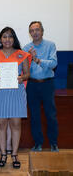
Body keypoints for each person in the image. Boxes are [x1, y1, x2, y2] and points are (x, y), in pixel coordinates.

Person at [0, 27, 30, 169]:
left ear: (14, 39)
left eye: (10, 37)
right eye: (4, 37)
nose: (7, 39)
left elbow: (27, 74)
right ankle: (3, 154)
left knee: (16, 124)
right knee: (1, 123)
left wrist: (21, 77)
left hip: (16, 92)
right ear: (0, 39)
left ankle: (14, 154)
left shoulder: (22, 54)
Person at [23, 21, 59, 152]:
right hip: (32, 84)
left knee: (51, 115)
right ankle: (38, 143)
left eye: (37, 30)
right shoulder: (26, 48)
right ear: (30, 33)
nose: (35, 33)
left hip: (47, 84)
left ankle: (53, 143)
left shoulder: (50, 45)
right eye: (32, 30)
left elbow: (53, 63)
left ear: (42, 31)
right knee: (34, 115)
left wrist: (37, 60)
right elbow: (23, 67)